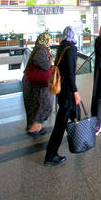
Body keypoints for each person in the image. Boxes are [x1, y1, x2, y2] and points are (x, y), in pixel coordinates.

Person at [44, 26, 81, 166]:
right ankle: (51, 154)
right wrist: (75, 91)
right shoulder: (71, 48)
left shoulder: (61, 47)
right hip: (67, 91)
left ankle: (78, 140)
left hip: (62, 90)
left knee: (74, 114)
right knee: (61, 123)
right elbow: (71, 73)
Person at [22, 32, 54, 136]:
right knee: (41, 103)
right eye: (49, 39)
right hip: (37, 83)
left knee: (40, 103)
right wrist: (51, 63)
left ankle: (37, 126)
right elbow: (44, 64)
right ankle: (33, 128)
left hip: (37, 82)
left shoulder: (40, 49)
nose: (51, 41)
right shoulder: (41, 49)